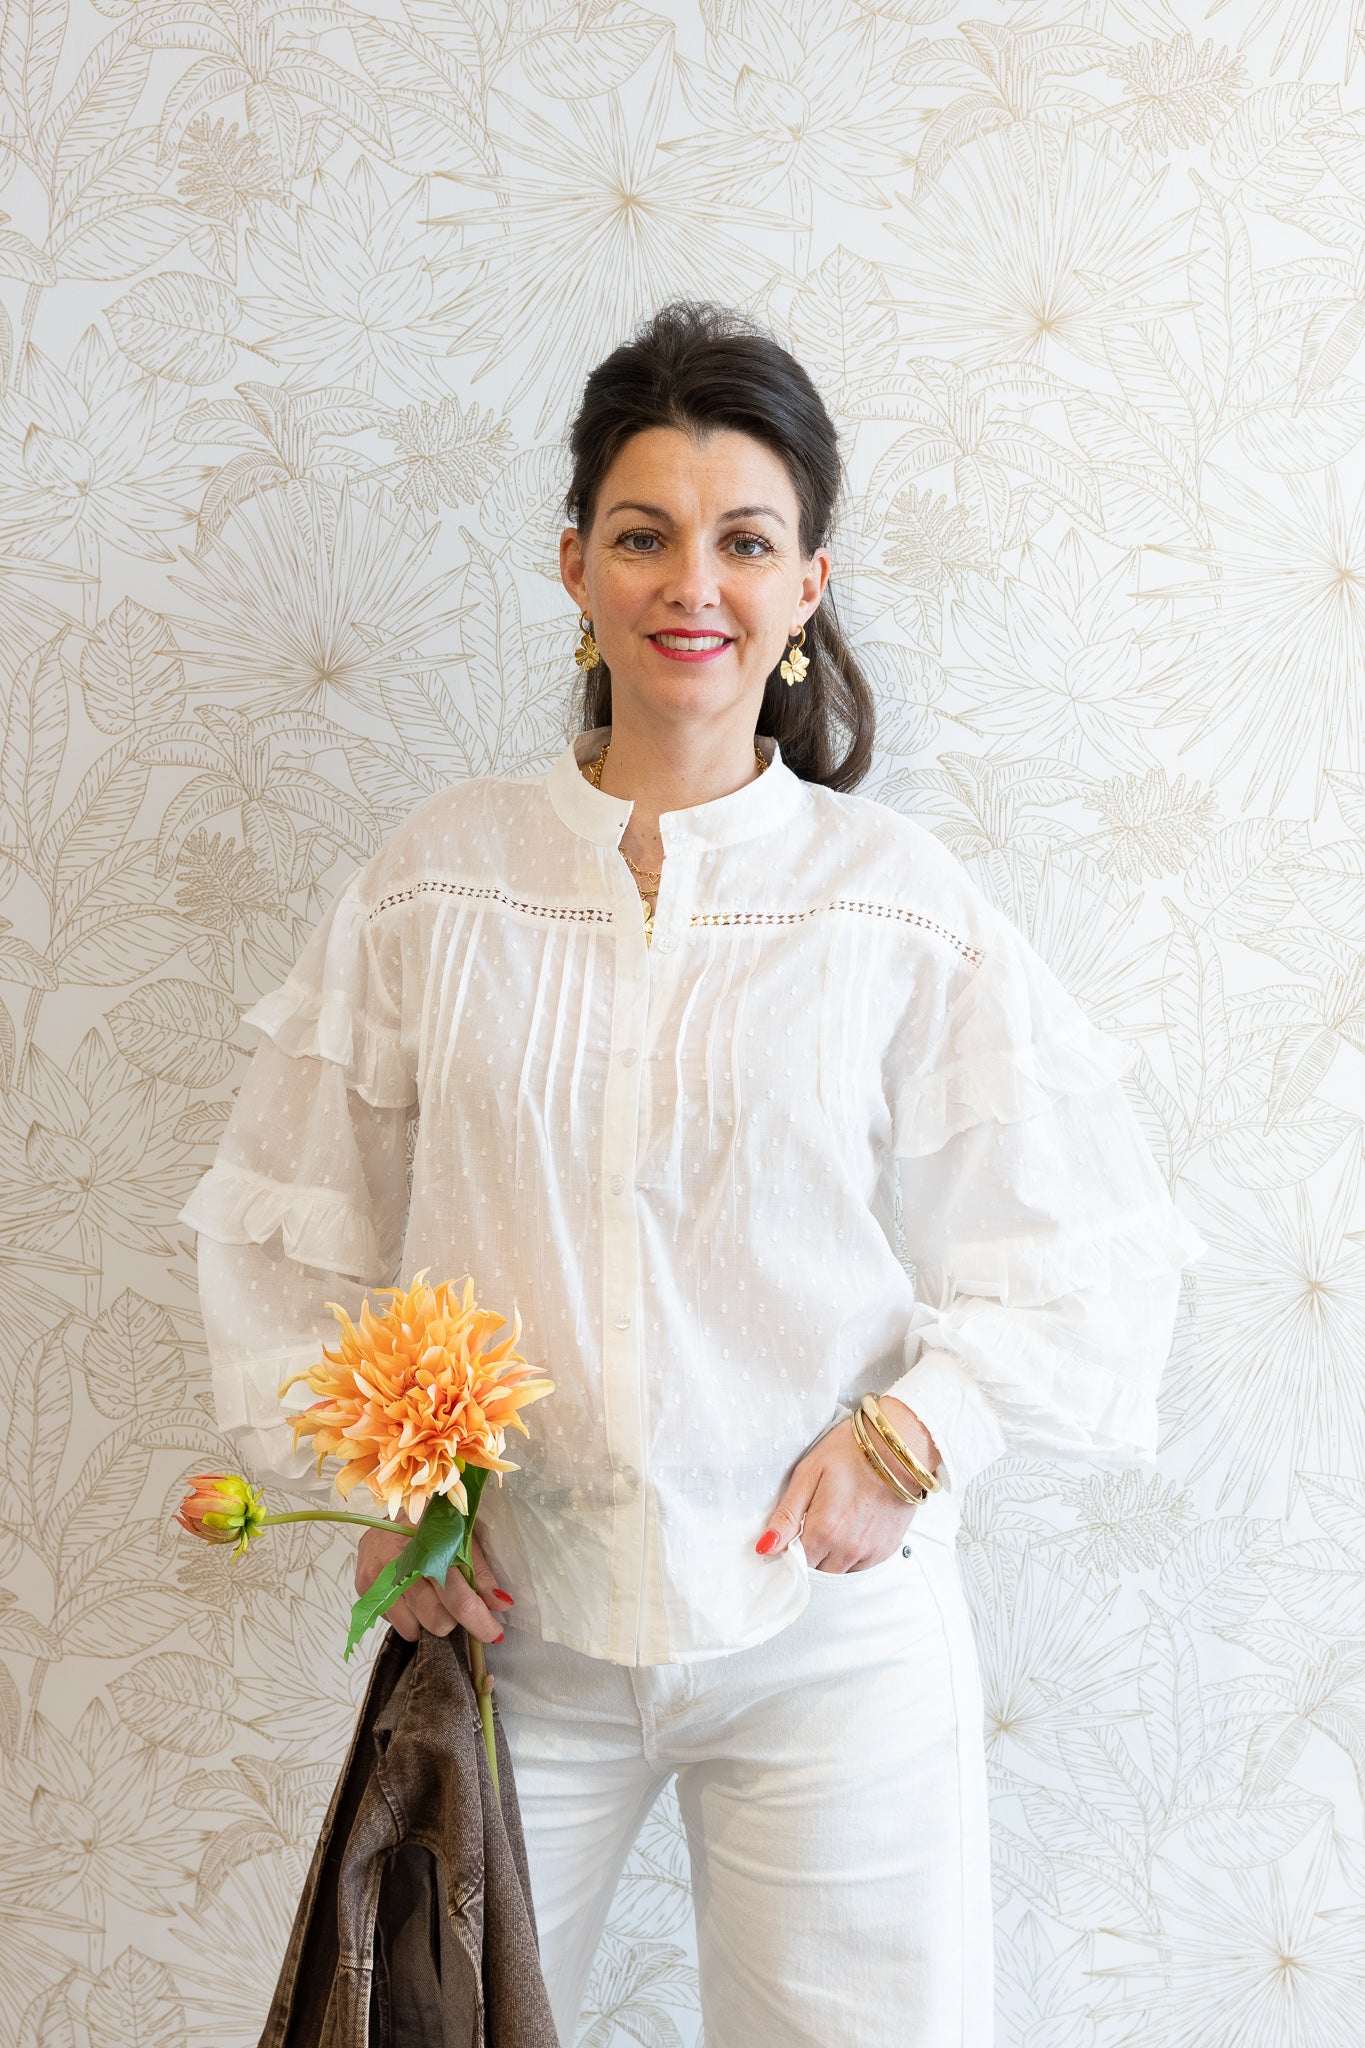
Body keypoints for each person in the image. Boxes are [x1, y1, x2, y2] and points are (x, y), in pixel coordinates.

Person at [182, 300, 1204, 2048]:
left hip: (831, 1638)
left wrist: (913, 1436)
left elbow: (1084, 1244)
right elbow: (289, 1223)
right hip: (514, 1633)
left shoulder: (891, 900)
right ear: (573, 565)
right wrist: (385, 1501)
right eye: (644, 536)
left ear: (807, 586)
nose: (692, 585)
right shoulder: (441, 882)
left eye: (743, 542)